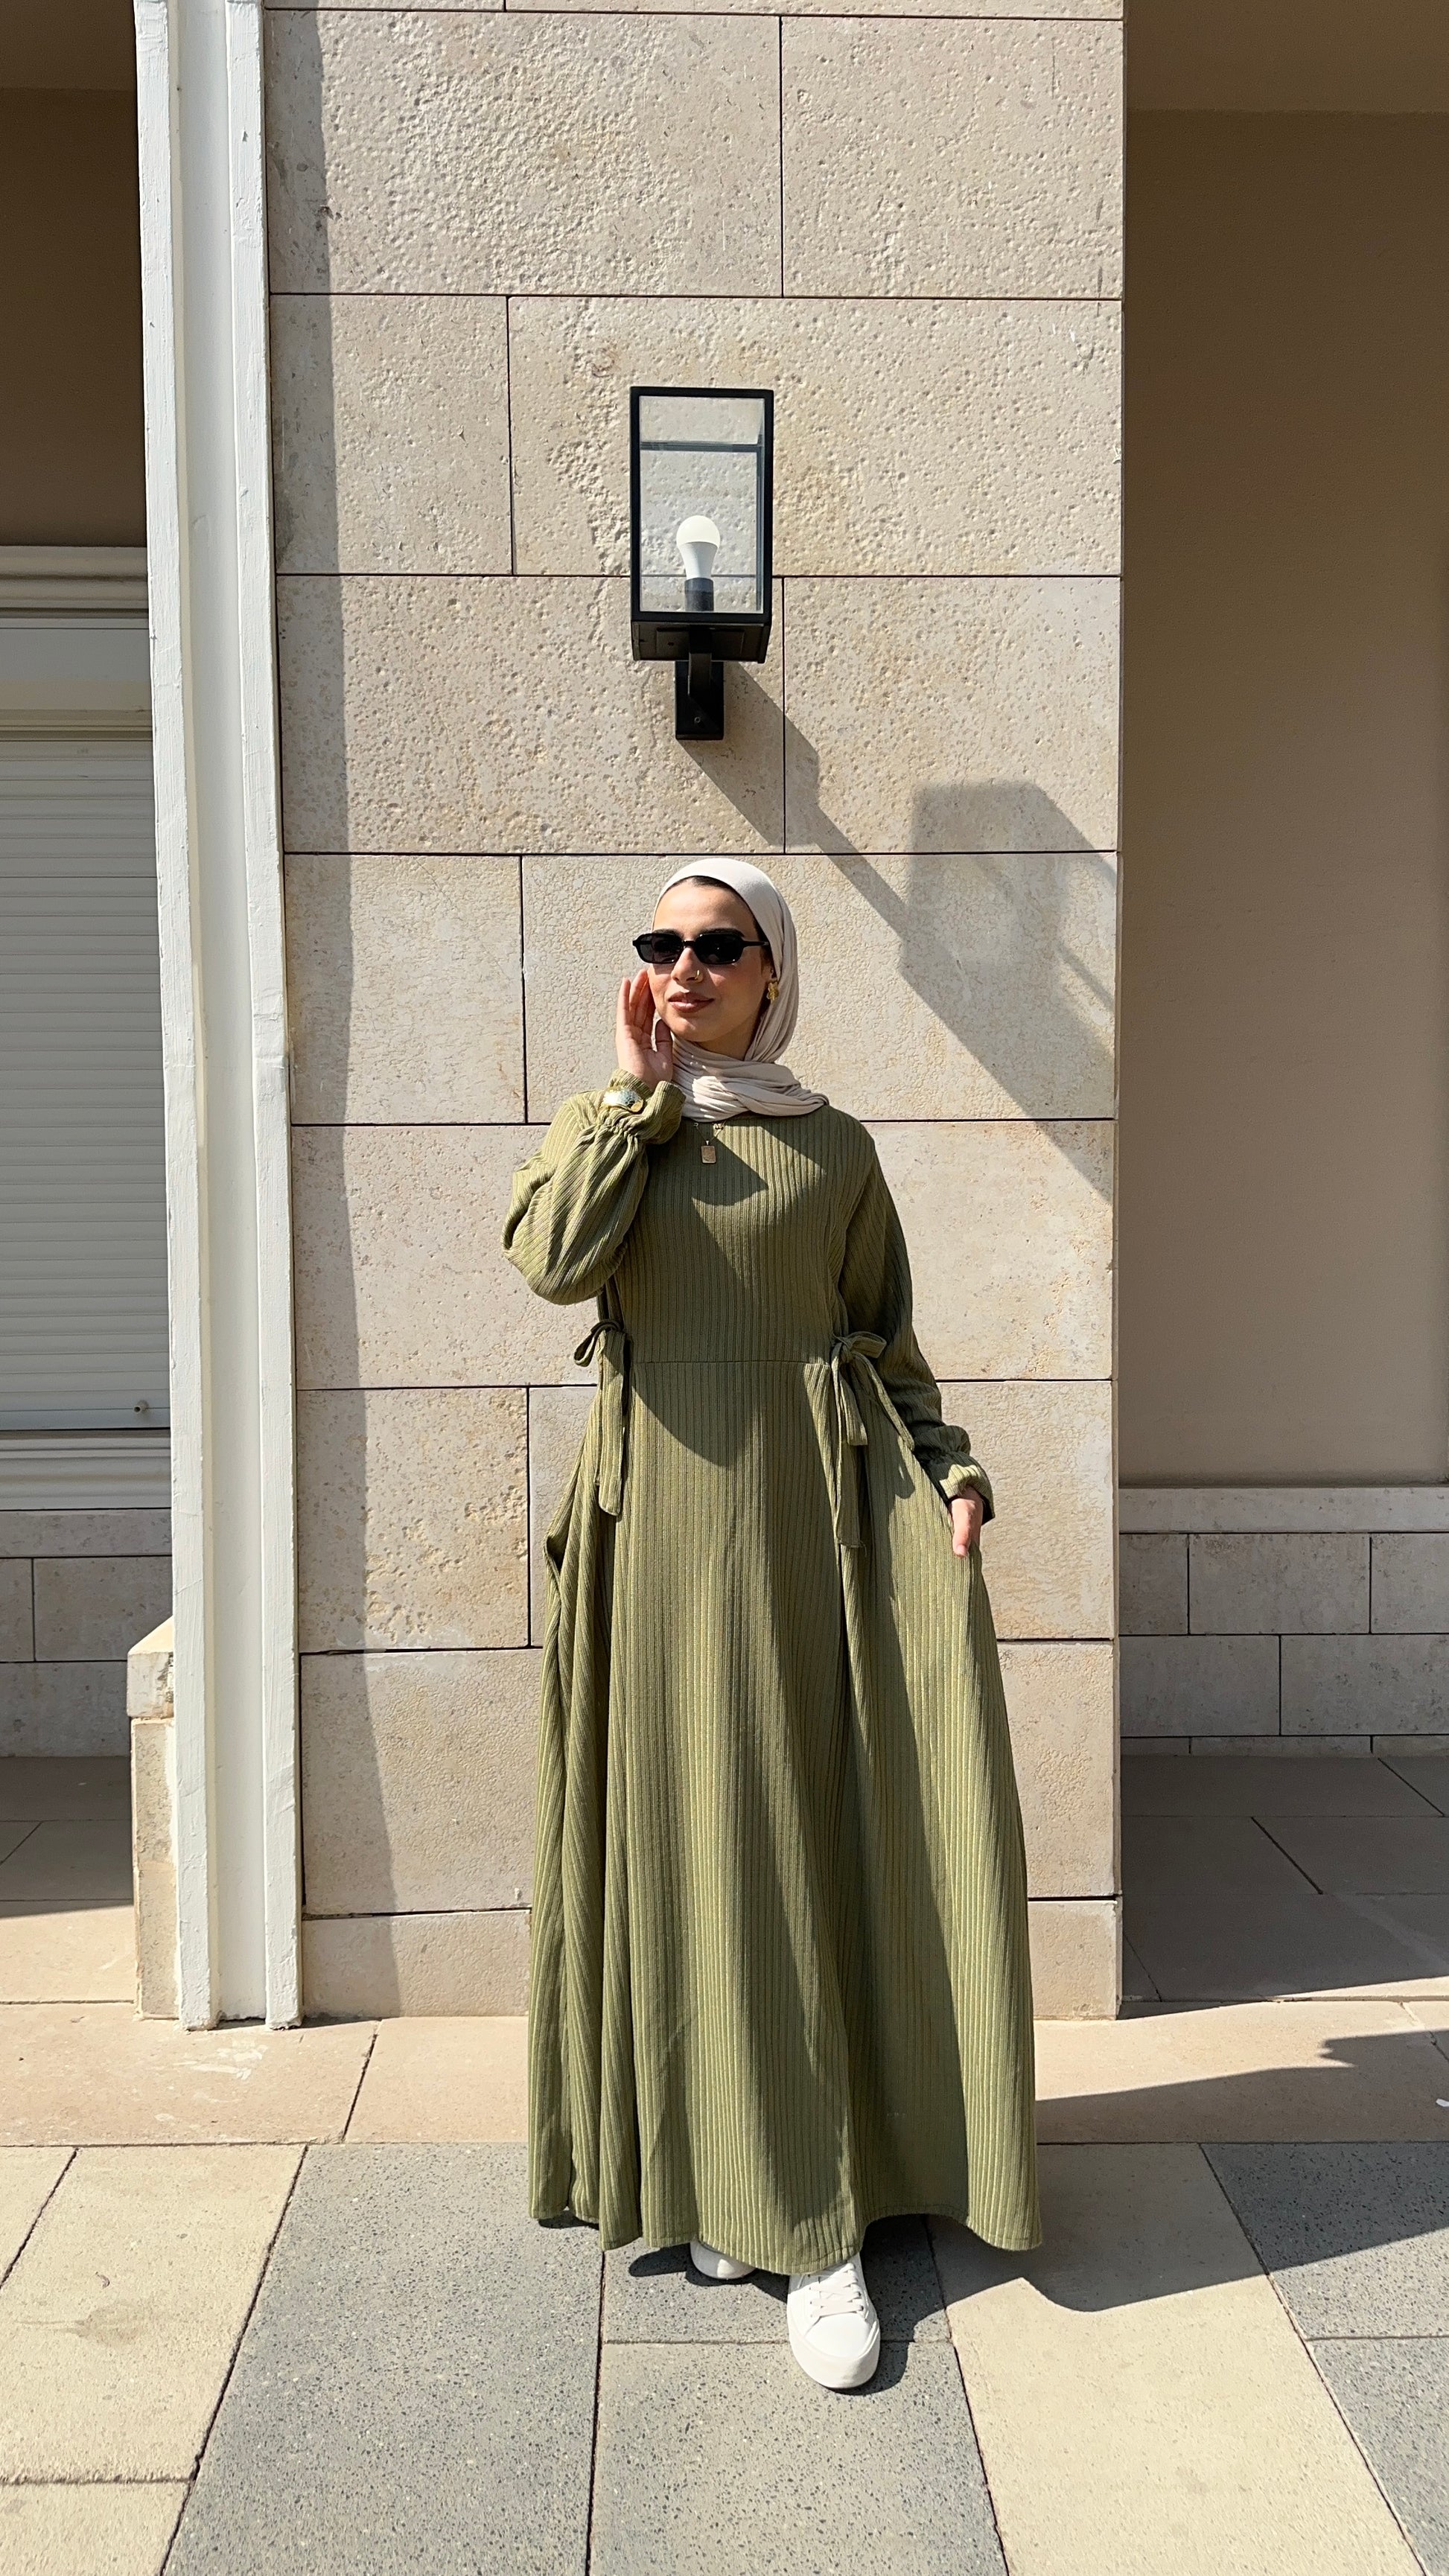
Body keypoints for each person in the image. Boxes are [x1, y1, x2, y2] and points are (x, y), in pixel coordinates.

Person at [503, 858, 1039, 2392]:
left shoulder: (834, 1147)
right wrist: (632, 1099)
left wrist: (950, 1469)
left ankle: (815, 2221)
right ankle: (716, 2169)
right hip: (659, 1540)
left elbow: (886, 1343)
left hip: (809, 1533)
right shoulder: (613, 1131)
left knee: (798, 1845)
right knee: (689, 1847)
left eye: (718, 944)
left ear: (771, 972)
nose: (683, 965)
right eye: (661, 942)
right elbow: (551, 1264)